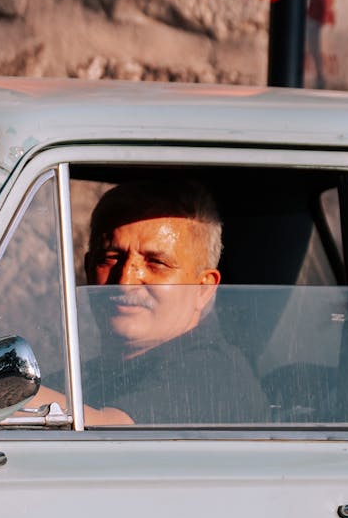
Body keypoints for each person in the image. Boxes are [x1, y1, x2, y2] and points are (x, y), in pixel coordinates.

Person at [43, 177, 267, 426]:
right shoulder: (90, 376)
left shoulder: (217, 377)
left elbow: (105, 432)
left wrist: (1, 399)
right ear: (87, 268)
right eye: (110, 258)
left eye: (157, 263)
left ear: (203, 289)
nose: (125, 281)